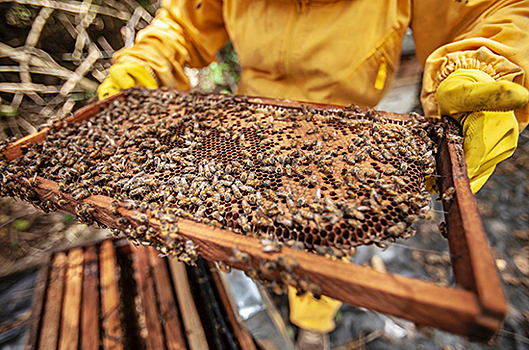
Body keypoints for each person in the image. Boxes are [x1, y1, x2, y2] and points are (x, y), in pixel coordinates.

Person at [98, 1, 529, 349]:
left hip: (343, 140)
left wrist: (489, 64)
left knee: (322, 247)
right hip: (247, 132)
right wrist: (149, 61)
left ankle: (313, 324)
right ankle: (265, 291)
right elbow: (182, 22)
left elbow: (494, 9)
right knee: (242, 227)